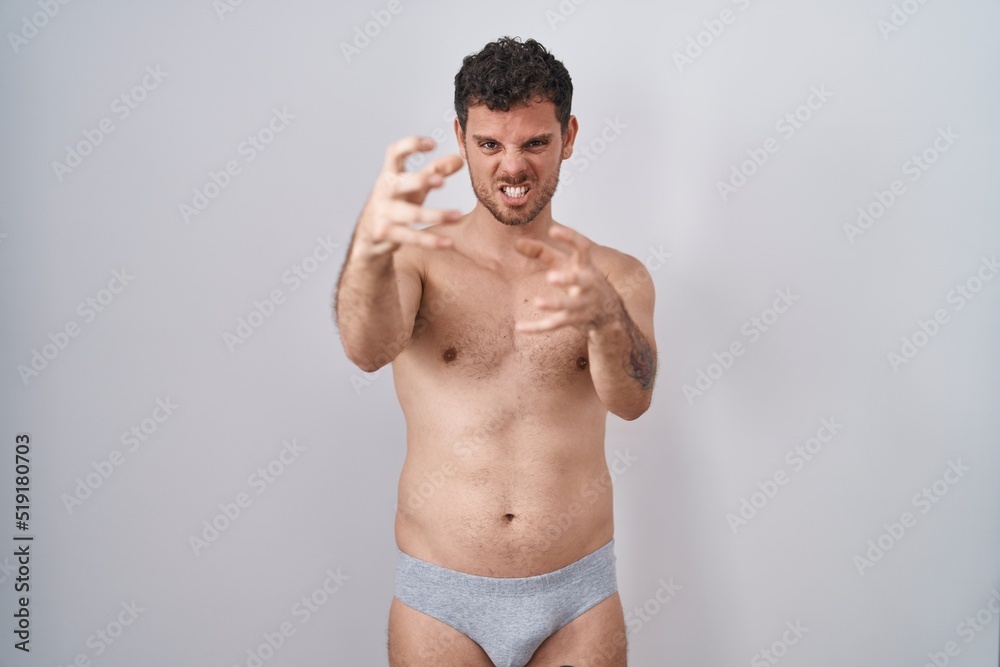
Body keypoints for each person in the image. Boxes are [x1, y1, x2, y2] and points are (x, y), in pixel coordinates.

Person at [335, 36, 656, 667]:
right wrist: (369, 252)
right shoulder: (416, 259)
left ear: (568, 135)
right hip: (442, 599)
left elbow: (633, 400)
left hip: (577, 597)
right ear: (460, 137)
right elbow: (367, 349)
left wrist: (604, 319)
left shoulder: (615, 276)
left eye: (535, 142)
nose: (512, 167)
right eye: (490, 144)